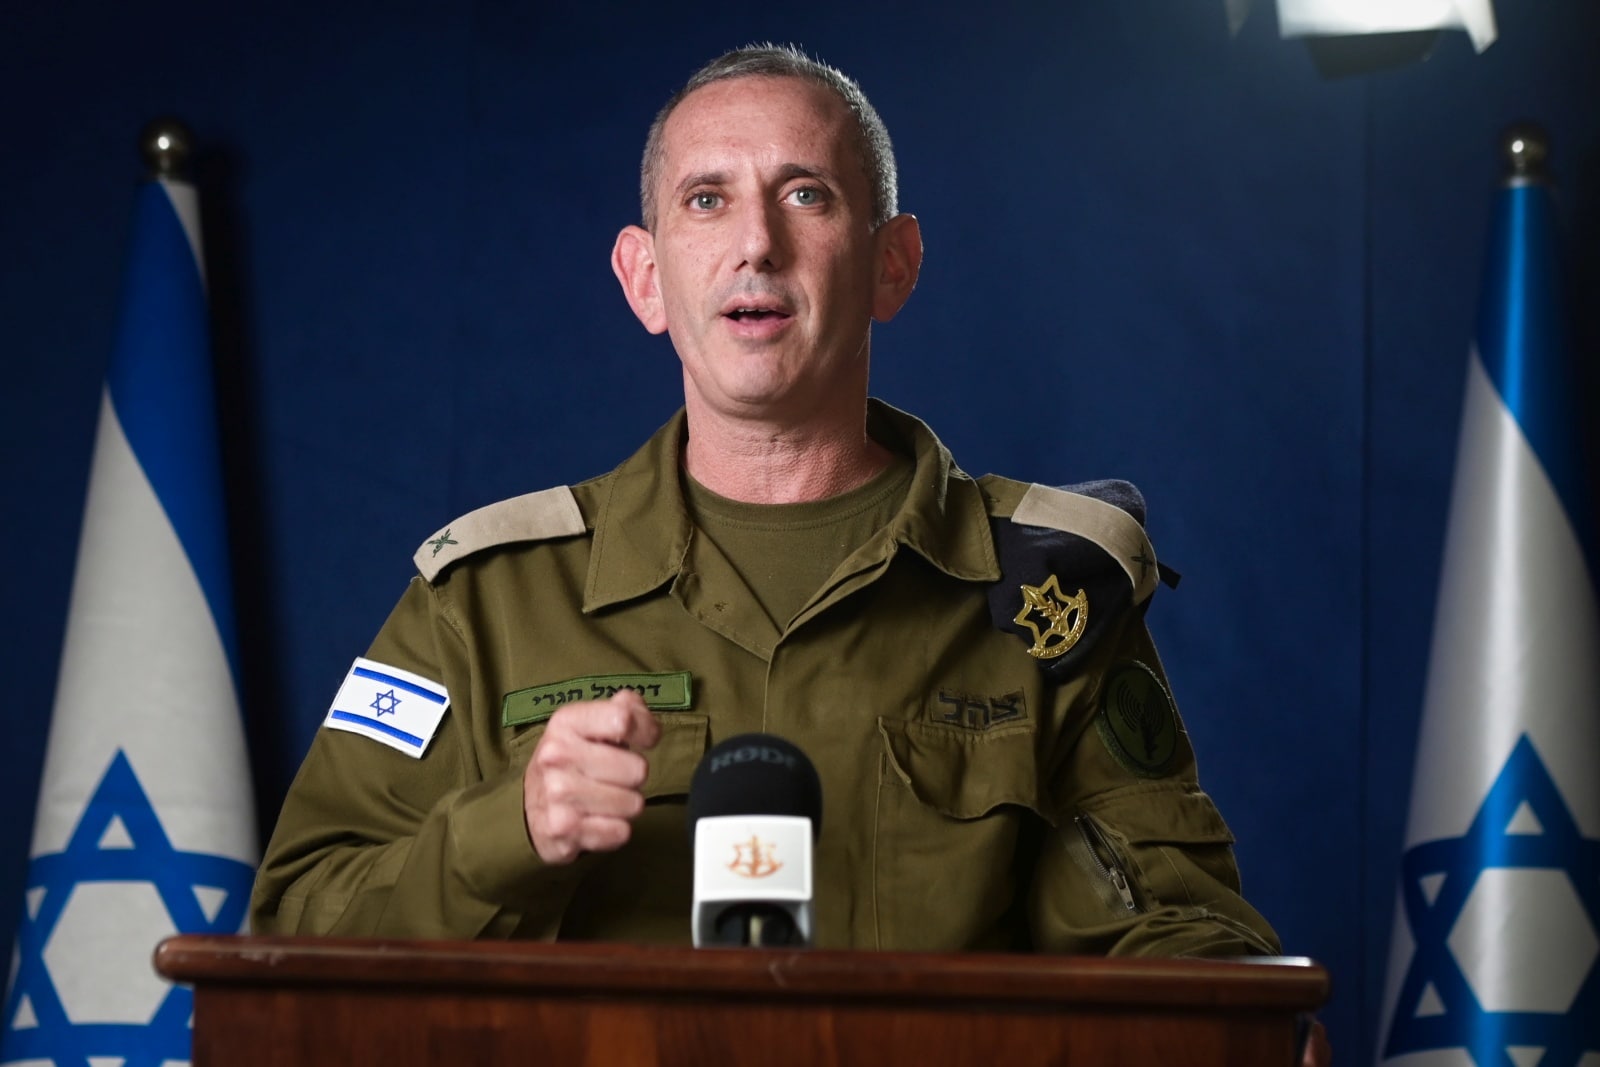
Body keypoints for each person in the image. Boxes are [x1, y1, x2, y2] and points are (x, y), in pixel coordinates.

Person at [252, 44, 1291, 963]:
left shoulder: (1044, 597)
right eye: (706, 200)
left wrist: (1244, 1018)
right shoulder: (486, 600)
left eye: (806, 195)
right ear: (644, 278)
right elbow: (293, 925)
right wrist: (508, 829)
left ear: (893, 264)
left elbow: (1178, 939)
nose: (756, 242)